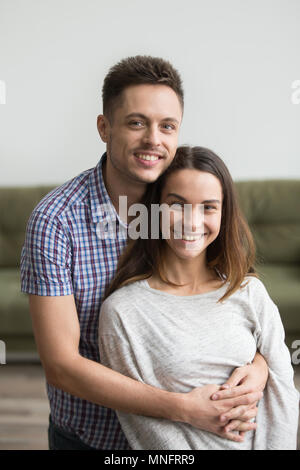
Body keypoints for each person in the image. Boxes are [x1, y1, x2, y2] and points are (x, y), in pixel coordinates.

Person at [21, 56, 268, 450]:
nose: (154, 139)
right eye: (137, 122)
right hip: (94, 438)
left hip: (184, 441)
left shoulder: (188, 200)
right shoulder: (56, 221)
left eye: (167, 126)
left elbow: (241, 301)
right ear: (104, 127)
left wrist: (260, 368)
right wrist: (183, 408)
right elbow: (61, 366)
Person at [99, 145, 299, 450]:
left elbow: (282, 387)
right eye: (177, 205)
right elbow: (141, 424)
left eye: (208, 207)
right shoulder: (123, 311)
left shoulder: (248, 291)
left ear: (224, 212)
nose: (192, 223)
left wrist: (262, 368)